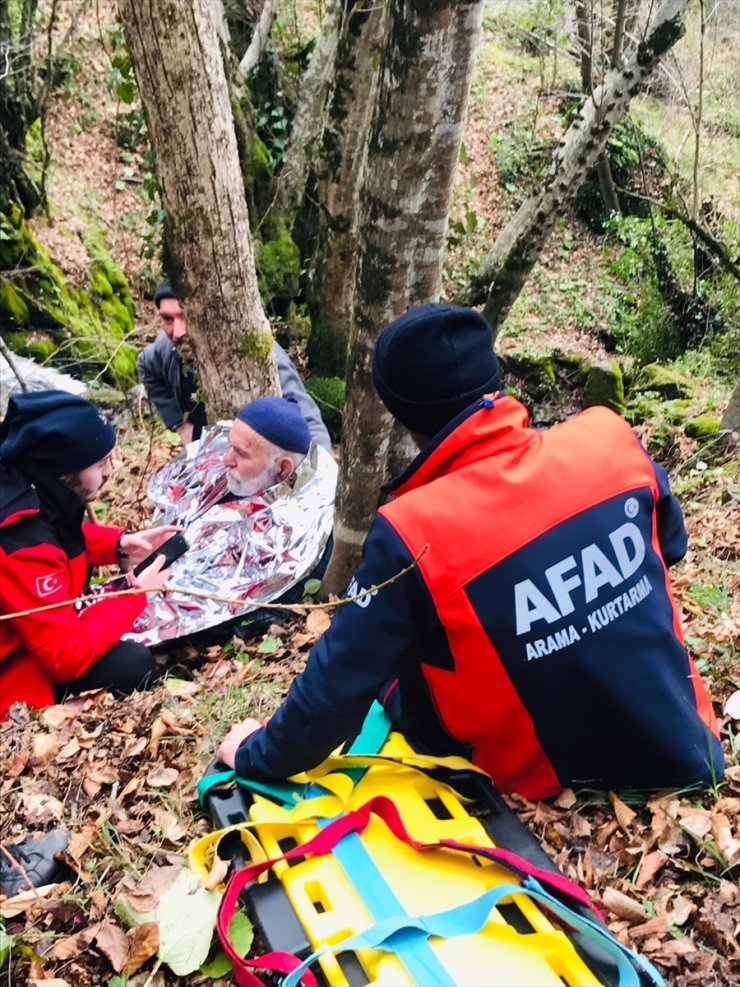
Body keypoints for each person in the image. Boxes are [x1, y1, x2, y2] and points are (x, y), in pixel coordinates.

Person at [218, 304, 725, 800]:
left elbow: (334, 690)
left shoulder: (412, 531)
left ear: (403, 415)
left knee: (389, 662)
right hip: (686, 750)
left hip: (542, 784)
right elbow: (671, 547)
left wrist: (253, 754)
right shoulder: (609, 436)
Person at [0, 391, 180, 722]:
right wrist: (134, 594)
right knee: (133, 666)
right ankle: (51, 714)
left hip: (25, 644)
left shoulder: (24, 486)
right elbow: (63, 656)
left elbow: (61, 531)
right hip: (11, 678)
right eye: (100, 464)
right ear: (62, 470)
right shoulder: (21, 545)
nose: (112, 471)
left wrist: (120, 543)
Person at [129, 396, 337, 645]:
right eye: (230, 446)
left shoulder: (303, 531)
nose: (226, 459)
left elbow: (238, 608)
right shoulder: (228, 475)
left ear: (283, 469)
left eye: (240, 453)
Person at [137, 280, 331, 450]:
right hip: (207, 456)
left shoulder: (259, 354)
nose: (178, 332)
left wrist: (317, 477)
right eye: (168, 319)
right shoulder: (167, 349)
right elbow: (145, 365)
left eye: (186, 316)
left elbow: (309, 423)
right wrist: (179, 423)